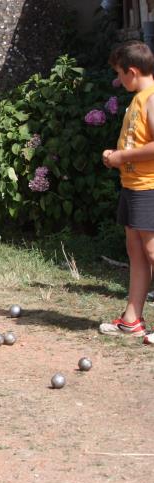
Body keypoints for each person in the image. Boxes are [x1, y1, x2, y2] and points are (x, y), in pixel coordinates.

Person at [99, 40, 154, 345]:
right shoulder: (139, 97)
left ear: (132, 71)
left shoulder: (152, 99)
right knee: (136, 252)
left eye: (120, 74)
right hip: (132, 187)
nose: (119, 81)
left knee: (151, 252)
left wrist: (121, 158)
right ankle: (132, 320)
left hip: (150, 188)